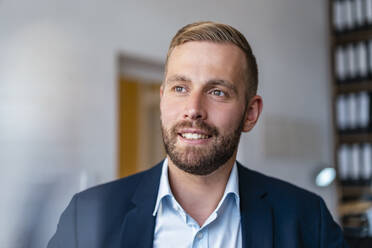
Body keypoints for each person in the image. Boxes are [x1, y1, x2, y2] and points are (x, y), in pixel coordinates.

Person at [48, 21, 348, 248]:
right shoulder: (86, 217)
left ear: (250, 113)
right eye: (180, 89)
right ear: (163, 98)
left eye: (217, 92)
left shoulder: (308, 219)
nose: (193, 109)